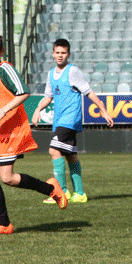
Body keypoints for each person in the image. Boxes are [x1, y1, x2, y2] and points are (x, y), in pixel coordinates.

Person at [0, 30, 67, 236]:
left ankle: (51, 189)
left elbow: (23, 92)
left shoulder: (6, 69)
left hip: (10, 132)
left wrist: (3, 111)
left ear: (1, 51)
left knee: (8, 178)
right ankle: (3, 224)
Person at [30, 38, 114, 204]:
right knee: (71, 156)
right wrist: (37, 109)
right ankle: (80, 193)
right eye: (57, 53)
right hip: (60, 119)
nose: (60, 56)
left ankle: (61, 192)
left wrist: (103, 111)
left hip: (70, 118)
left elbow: (88, 92)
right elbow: (48, 96)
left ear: (68, 54)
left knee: (54, 151)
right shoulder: (51, 74)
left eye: (63, 53)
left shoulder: (73, 71)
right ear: (53, 54)